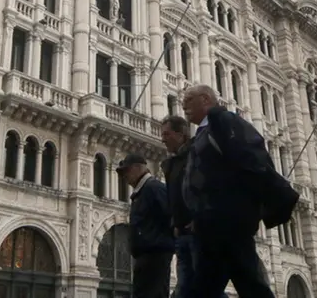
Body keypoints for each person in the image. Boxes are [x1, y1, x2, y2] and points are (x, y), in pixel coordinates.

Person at [181, 85, 277, 298]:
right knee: (207, 288)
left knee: (249, 283)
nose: (183, 105)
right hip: (210, 224)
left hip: (228, 222)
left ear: (205, 99)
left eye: (188, 100)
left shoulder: (225, 122)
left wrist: (241, 210)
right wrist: (198, 214)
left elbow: (252, 165)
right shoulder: (204, 132)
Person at [160, 115, 228, 298]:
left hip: (198, 232)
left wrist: (199, 218)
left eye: (166, 134)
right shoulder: (170, 164)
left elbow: (207, 187)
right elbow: (173, 196)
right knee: (187, 287)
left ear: (180, 134)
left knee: (205, 287)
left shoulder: (196, 153)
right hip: (182, 233)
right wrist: (175, 223)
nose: (162, 138)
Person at [116, 153, 174, 298]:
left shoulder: (153, 188)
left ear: (138, 168)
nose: (124, 177)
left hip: (155, 255)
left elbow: (172, 215)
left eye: (126, 171)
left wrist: (162, 242)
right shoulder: (142, 192)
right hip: (146, 256)